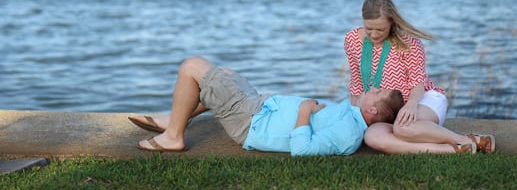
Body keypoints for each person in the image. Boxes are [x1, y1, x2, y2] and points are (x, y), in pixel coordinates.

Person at [129, 56, 404, 156]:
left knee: (192, 66)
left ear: (375, 112)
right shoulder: (352, 117)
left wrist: (304, 112)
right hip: (260, 107)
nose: (371, 89)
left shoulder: (349, 132)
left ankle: (174, 136)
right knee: (224, 72)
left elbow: (302, 149)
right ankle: (177, 119)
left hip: (252, 122)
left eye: (376, 92)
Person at [344, 0, 496, 154]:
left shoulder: (409, 43)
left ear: (392, 22)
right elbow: (357, 84)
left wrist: (410, 106)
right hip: (388, 111)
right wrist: (354, 117)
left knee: (403, 128)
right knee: (372, 137)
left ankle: (467, 140)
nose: (374, 34)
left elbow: (418, 84)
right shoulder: (352, 40)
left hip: (421, 99)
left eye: (380, 29)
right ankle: (451, 150)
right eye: (369, 28)